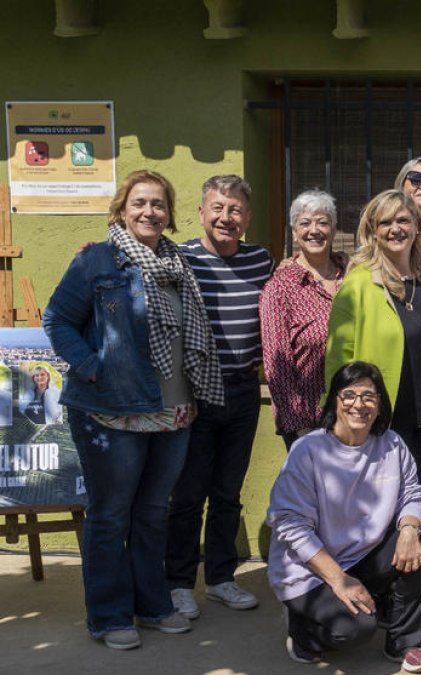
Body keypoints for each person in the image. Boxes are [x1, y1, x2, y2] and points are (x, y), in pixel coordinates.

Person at [44, 169, 224, 649]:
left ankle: (152, 605)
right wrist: (92, 366)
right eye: (140, 203)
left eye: (159, 204)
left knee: (151, 513)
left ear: (169, 213)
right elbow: (58, 319)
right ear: (123, 209)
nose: (149, 212)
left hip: (174, 410)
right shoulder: (97, 260)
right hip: (112, 410)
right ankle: (108, 616)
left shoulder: (178, 263)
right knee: (111, 514)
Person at [267, 361, 421, 673]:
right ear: (335, 400)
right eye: (349, 395)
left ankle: (406, 642)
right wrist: (338, 579)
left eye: (368, 396)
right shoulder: (308, 450)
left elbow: (413, 493)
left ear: (379, 404)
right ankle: (303, 630)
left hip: (363, 556)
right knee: (357, 629)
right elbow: (290, 523)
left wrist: (409, 528)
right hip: (311, 569)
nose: (358, 404)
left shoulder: (391, 444)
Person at [167, 174, 274, 620]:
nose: (226, 218)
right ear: (201, 212)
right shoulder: (179, 258)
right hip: (194, 392)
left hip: (244, 390)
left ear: (247, 218)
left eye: (235, 210)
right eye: (218, 208)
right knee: (188, 494)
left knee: (228, 492)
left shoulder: (260, 261)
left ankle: (221, 580)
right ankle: (177, 583)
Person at [327, 188, 421, 538]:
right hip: (386, 419)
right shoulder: (358, 284)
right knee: (384, 504)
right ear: (373, 230)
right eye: (386, 222)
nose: (395, 229)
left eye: (403, 220)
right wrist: (340, 416)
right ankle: (386, 587)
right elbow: (338, 358)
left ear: (416, 225)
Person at [260, 189, 346, 450]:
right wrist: (300, 427)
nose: (314, 230)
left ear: (333, 228)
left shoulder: (352, 276)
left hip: (354, 413)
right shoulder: (280, 287)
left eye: (322, 222)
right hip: (309, 420)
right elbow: (277, 362)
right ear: (294, 231)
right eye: (305, 223)